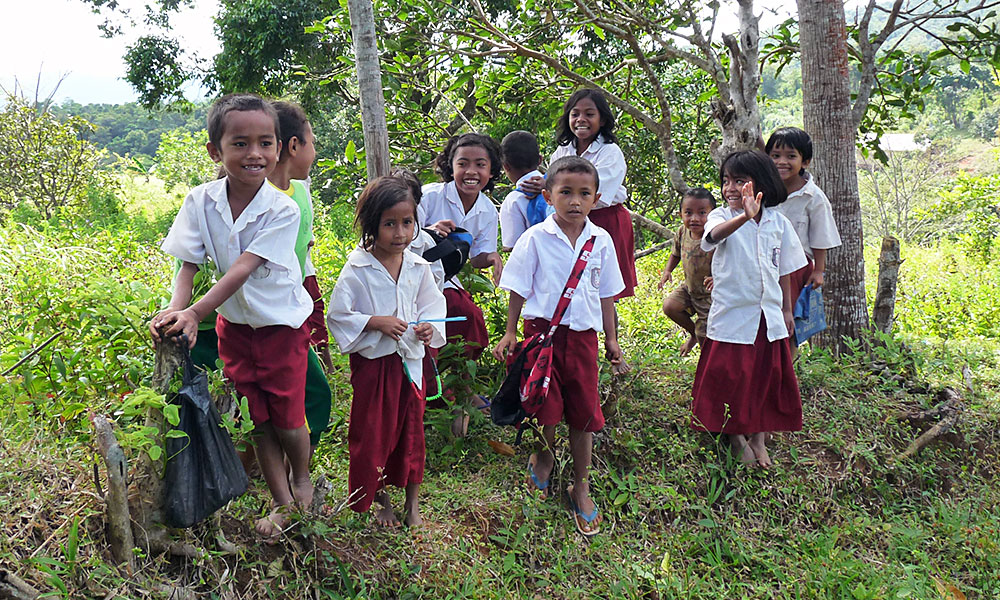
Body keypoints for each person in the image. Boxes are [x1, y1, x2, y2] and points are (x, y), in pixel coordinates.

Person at [149, 93, 314, 541]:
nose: (255, 154)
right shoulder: (200, 201)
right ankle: (284, 503)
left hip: (280, 325)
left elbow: (243, 266)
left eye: (265, 142)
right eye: (240, 143)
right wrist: (175, 308)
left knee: (287, 416)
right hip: (235, 327)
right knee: (254, 414)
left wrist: (195, 311)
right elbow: (188, 263)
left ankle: (301, 476)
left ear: (279, 148)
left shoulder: (283, 209)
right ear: (215, 151)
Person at [493, 156, 625, 538]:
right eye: (565, 192)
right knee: (543, 408)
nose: (574, 201)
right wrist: (510, 331)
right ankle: (544, 458)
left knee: (584, 414)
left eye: (584, 194)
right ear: (549, 196)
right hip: (541, 337)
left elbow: (606, 297)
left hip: (583, 339)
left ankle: (580, 484)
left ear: (596, 198)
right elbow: (518, 288)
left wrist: (612, 339)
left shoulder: (601, 241)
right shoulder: (534, 238)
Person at [327, 176, 447, 528]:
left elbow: (433, 307)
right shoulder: (358, 268)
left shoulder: (418, 267)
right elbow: (339, 315)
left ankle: (412, 503)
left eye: (407, 223)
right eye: (389, 224)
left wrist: (428, 326)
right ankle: (376, 499)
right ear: (372, 224)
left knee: (411, 431)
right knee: (372, 433)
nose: (399, 233)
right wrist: (375, 322)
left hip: (411, 362)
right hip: (374, 365)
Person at [691, 150, 807, 469]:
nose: (730, 187)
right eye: (726, 181)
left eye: (739, 180)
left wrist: (786, 309)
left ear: (762, 183)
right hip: (732, 313)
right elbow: (711, 237)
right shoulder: (720, 216)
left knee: (764, 376)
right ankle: (735, 436)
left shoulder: (777, 222)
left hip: (767, 315)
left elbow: (785, 269)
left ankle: (758, 436)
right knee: (731, 376)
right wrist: (743, 215)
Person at [419, 133, 504, 436]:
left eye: (480, 165)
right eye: (463, 163)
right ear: (449, 166)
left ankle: (460, 391)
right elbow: (403, 231)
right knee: (437, 322)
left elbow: (476, 256)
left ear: (492, 171)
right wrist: (430, 231)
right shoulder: (429, 196)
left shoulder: (486, 210)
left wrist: (492, 258)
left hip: (446, 278)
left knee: (470, 320)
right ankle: (429, 391)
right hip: (413, 276)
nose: (471, 172)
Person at [522, 88, 637, 300]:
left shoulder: (610, 152)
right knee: (573, 285)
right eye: (575, 114)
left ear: (602, 120)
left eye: (589, 114)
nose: (581, 119)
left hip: (605, 221)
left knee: (604, 291)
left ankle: (609, 334)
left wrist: (548, 183)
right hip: (570, 222)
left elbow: (595, 193)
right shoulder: (562, 151)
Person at [267, 100, 332, 451]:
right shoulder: (257, 198)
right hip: (266, 316)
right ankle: (289, 465)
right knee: (302, 394)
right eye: (313, 143)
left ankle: (294, 460)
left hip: (292, 307)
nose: (316, 153)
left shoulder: (300, 190)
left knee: (312, 393)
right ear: (293, 146)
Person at [764, 127, 842, 330]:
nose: (782, 162)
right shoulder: (763, 191)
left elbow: (821, 235)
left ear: (804, 162)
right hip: (765, 265)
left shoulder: (813, 197)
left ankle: (788, 361)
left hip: (798, 268)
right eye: (775, 156)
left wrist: (818, 271)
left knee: (792, 323)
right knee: (767, 319)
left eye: (791, 156)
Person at [658, 188, 716, 356]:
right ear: (680, 214)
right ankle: (693, 334)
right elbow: (675, 253)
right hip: (690, 288)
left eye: (702, 213)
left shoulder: (715, 235)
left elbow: (730, 261)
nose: (695, 219)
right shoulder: (683, 232)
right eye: (688, 213)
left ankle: (708, 363)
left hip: (709, 295)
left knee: (705, 334)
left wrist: (717, 277)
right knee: (670, 306)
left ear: (713, 214)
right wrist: (667, 271)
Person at [498, 130, 546, 251]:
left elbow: (513, 247)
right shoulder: (561, 185)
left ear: (505, 166)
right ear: (540, 160)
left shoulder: (513, 200)